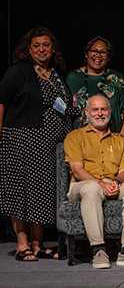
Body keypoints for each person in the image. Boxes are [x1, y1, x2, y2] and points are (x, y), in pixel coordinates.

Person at [0, 27, 75, 261]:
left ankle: (38, 245)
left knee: (41, 193)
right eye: (36, 46)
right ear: (28, 49)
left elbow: (63, 105)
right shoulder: (19, 72)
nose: (41, 49)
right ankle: (22, 245)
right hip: (20, 141)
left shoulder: (54, 75)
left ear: (53, 49)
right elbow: (1, 101)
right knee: (20, 192)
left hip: (47, 147)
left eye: (46, 45)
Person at [64, 95, 124, 269]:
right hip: (82, 185)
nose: (100, 113)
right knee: (91, 188)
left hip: (109, 182)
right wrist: (100, 183)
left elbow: (123, 171)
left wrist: (116, 182)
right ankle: (98, 251)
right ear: (86, 113)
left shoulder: (119, 140)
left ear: (110, 111)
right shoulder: (75, 136)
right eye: (95, 110)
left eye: (104, 109)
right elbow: (77, 170)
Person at [66, 36, 124, 137]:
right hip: (79, 142)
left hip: (111, 141)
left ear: (108, 57)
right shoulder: (72, 78)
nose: (98, 55)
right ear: (86, 54)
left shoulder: (118, 79)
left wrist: (123, 135)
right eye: (94, 51)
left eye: (103, 52)